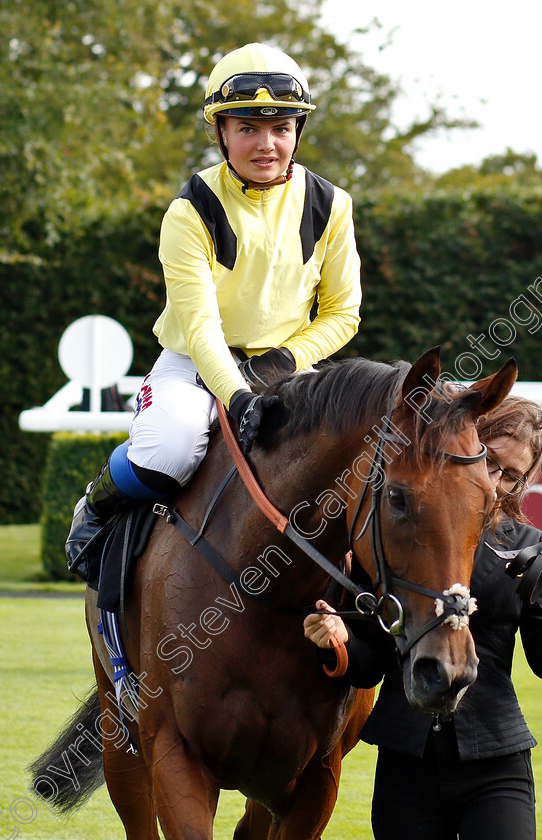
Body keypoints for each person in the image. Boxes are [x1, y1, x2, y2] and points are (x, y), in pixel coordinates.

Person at [65, 42, 362, 576]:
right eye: (247, 127)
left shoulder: (332, 205)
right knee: (170, 450)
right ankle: (98, 504)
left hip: (287, 368)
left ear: (298, 132)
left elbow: (343, 313)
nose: (266, 144)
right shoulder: (189, 208)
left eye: (281, 128)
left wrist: (276, 367)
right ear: (221, 133)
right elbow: (200, 325)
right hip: (195, 363)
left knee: (350, 466)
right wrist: (239, 394)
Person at [304, 395, 542, 840]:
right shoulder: (398, 534)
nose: (496, 484)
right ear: (467, 444)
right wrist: (339, 640)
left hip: (497, 763)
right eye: (490, 462)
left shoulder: (532, 549)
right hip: (406, 760)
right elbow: (371, 663)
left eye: (512, 476)